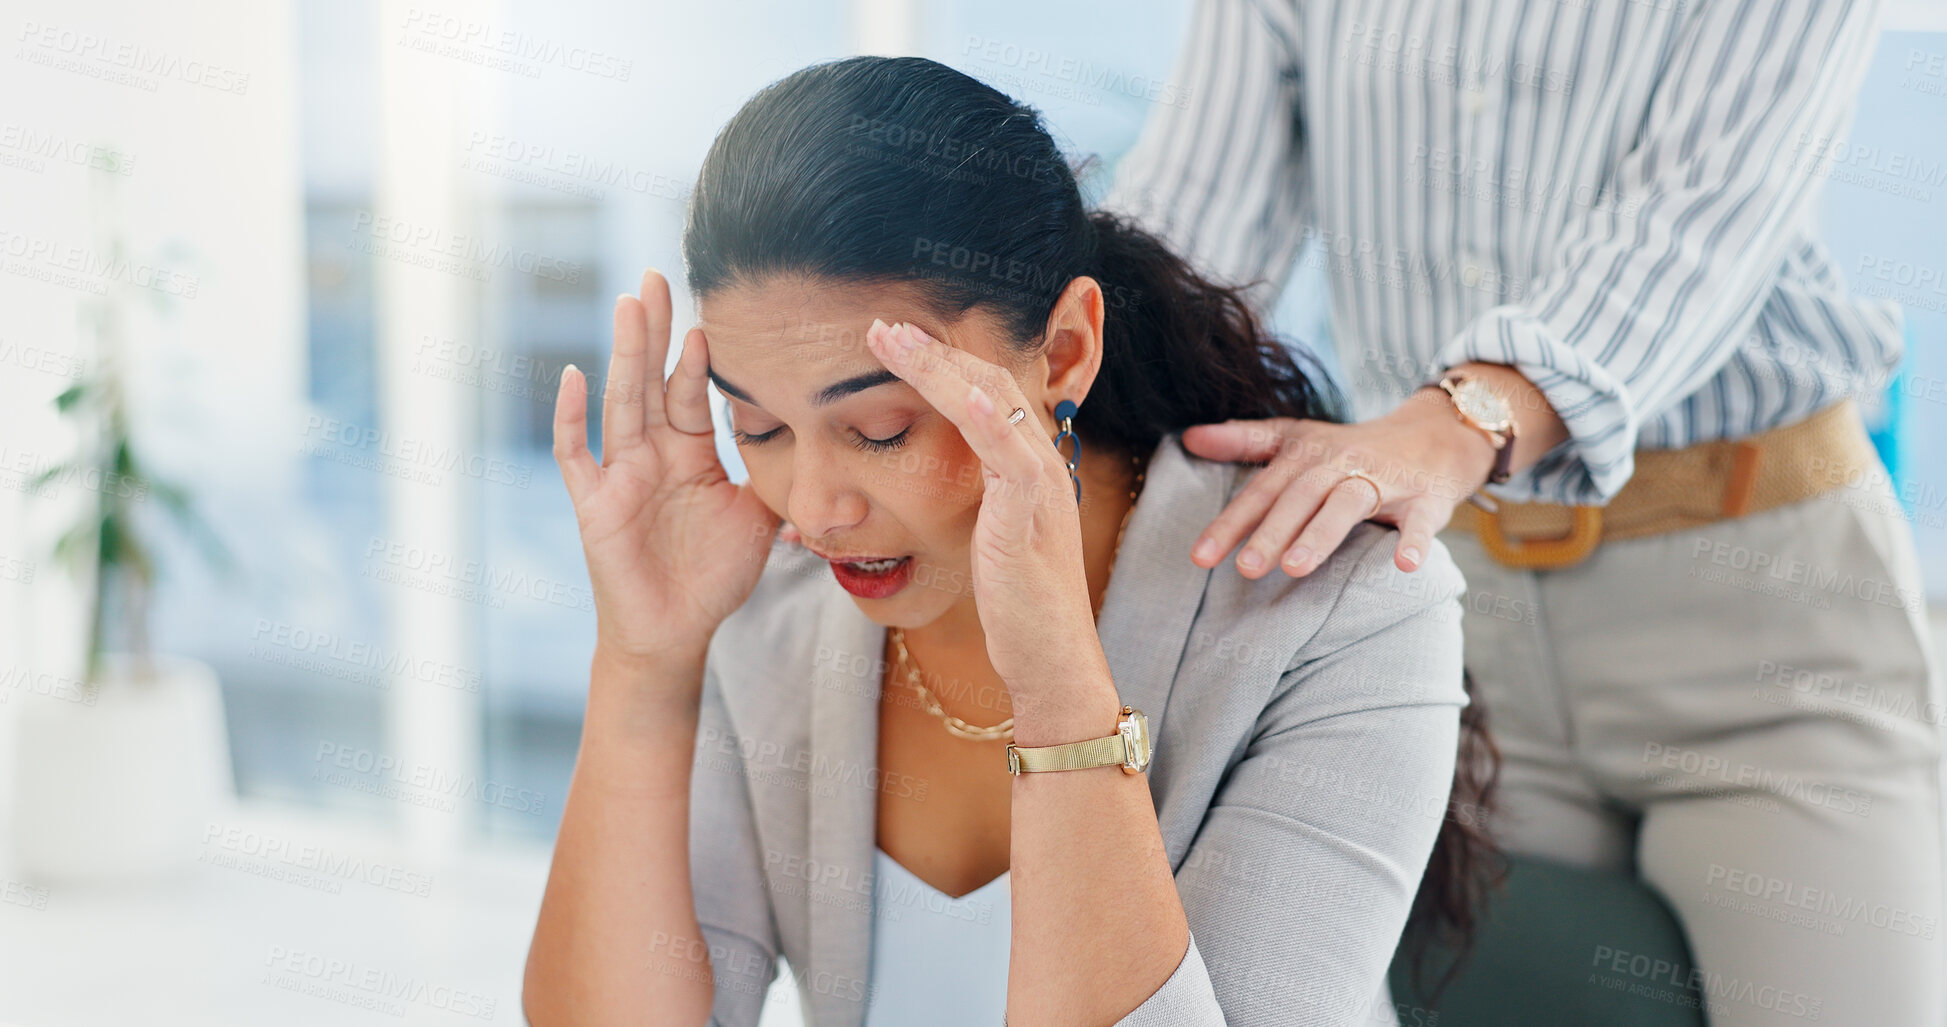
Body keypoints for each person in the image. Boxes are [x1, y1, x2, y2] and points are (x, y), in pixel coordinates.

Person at [522, 56, 1492, 1027]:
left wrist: (1059, 684)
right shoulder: (766, 596)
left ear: (1065, 350)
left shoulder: (1344, 605)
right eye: (759, 431)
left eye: (882, 428)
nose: (812, 509)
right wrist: (645, 663)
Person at [1102, 0, 1945, 1022]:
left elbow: (1697, 216)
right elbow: (1184, 229)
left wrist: (1449, 424)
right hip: (1456, 616)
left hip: (1762, 621)